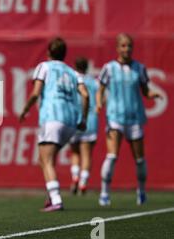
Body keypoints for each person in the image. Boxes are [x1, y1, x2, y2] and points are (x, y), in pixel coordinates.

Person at [19, 38, 89, 212]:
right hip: (71, 121)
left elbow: (36, 93)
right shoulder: (73, 73)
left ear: (49, 52)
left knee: (46, 159)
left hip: (52, 117)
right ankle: (51, 196)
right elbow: (85, 95)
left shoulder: (44, 67)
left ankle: (56, 199)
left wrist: (25, 109)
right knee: (44, 159)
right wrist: (83, 119)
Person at [97, 33, 161, 206]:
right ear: (117, 48)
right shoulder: (109, 68)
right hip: (115, 117)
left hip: (134, 118)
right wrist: (98, 104)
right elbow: (100, 89)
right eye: (123, 46)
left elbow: (145, 90)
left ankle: (141, 191)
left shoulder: (139, 68)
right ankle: (104, 193)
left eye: (129, 46)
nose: (127, 49)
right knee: (112, 156)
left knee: (139, 158)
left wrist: (151, 94)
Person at [69, 57, 99, 195]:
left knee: (75, 152)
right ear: (87, 67)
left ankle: (75, 177)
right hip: (90, 120)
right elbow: (101, 100)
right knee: (87, 154)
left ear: (75, 66)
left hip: (74, 119)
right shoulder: (93, 82)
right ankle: (83, 182)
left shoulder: (72, 80)